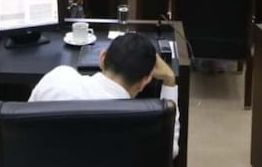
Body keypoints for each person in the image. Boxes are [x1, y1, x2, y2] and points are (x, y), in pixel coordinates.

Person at [29, 32, 180, 159]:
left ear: (102, 58)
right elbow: (169, 151)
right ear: (145, 81)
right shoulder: (144, 120)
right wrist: (169, 79)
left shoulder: (57, 78)